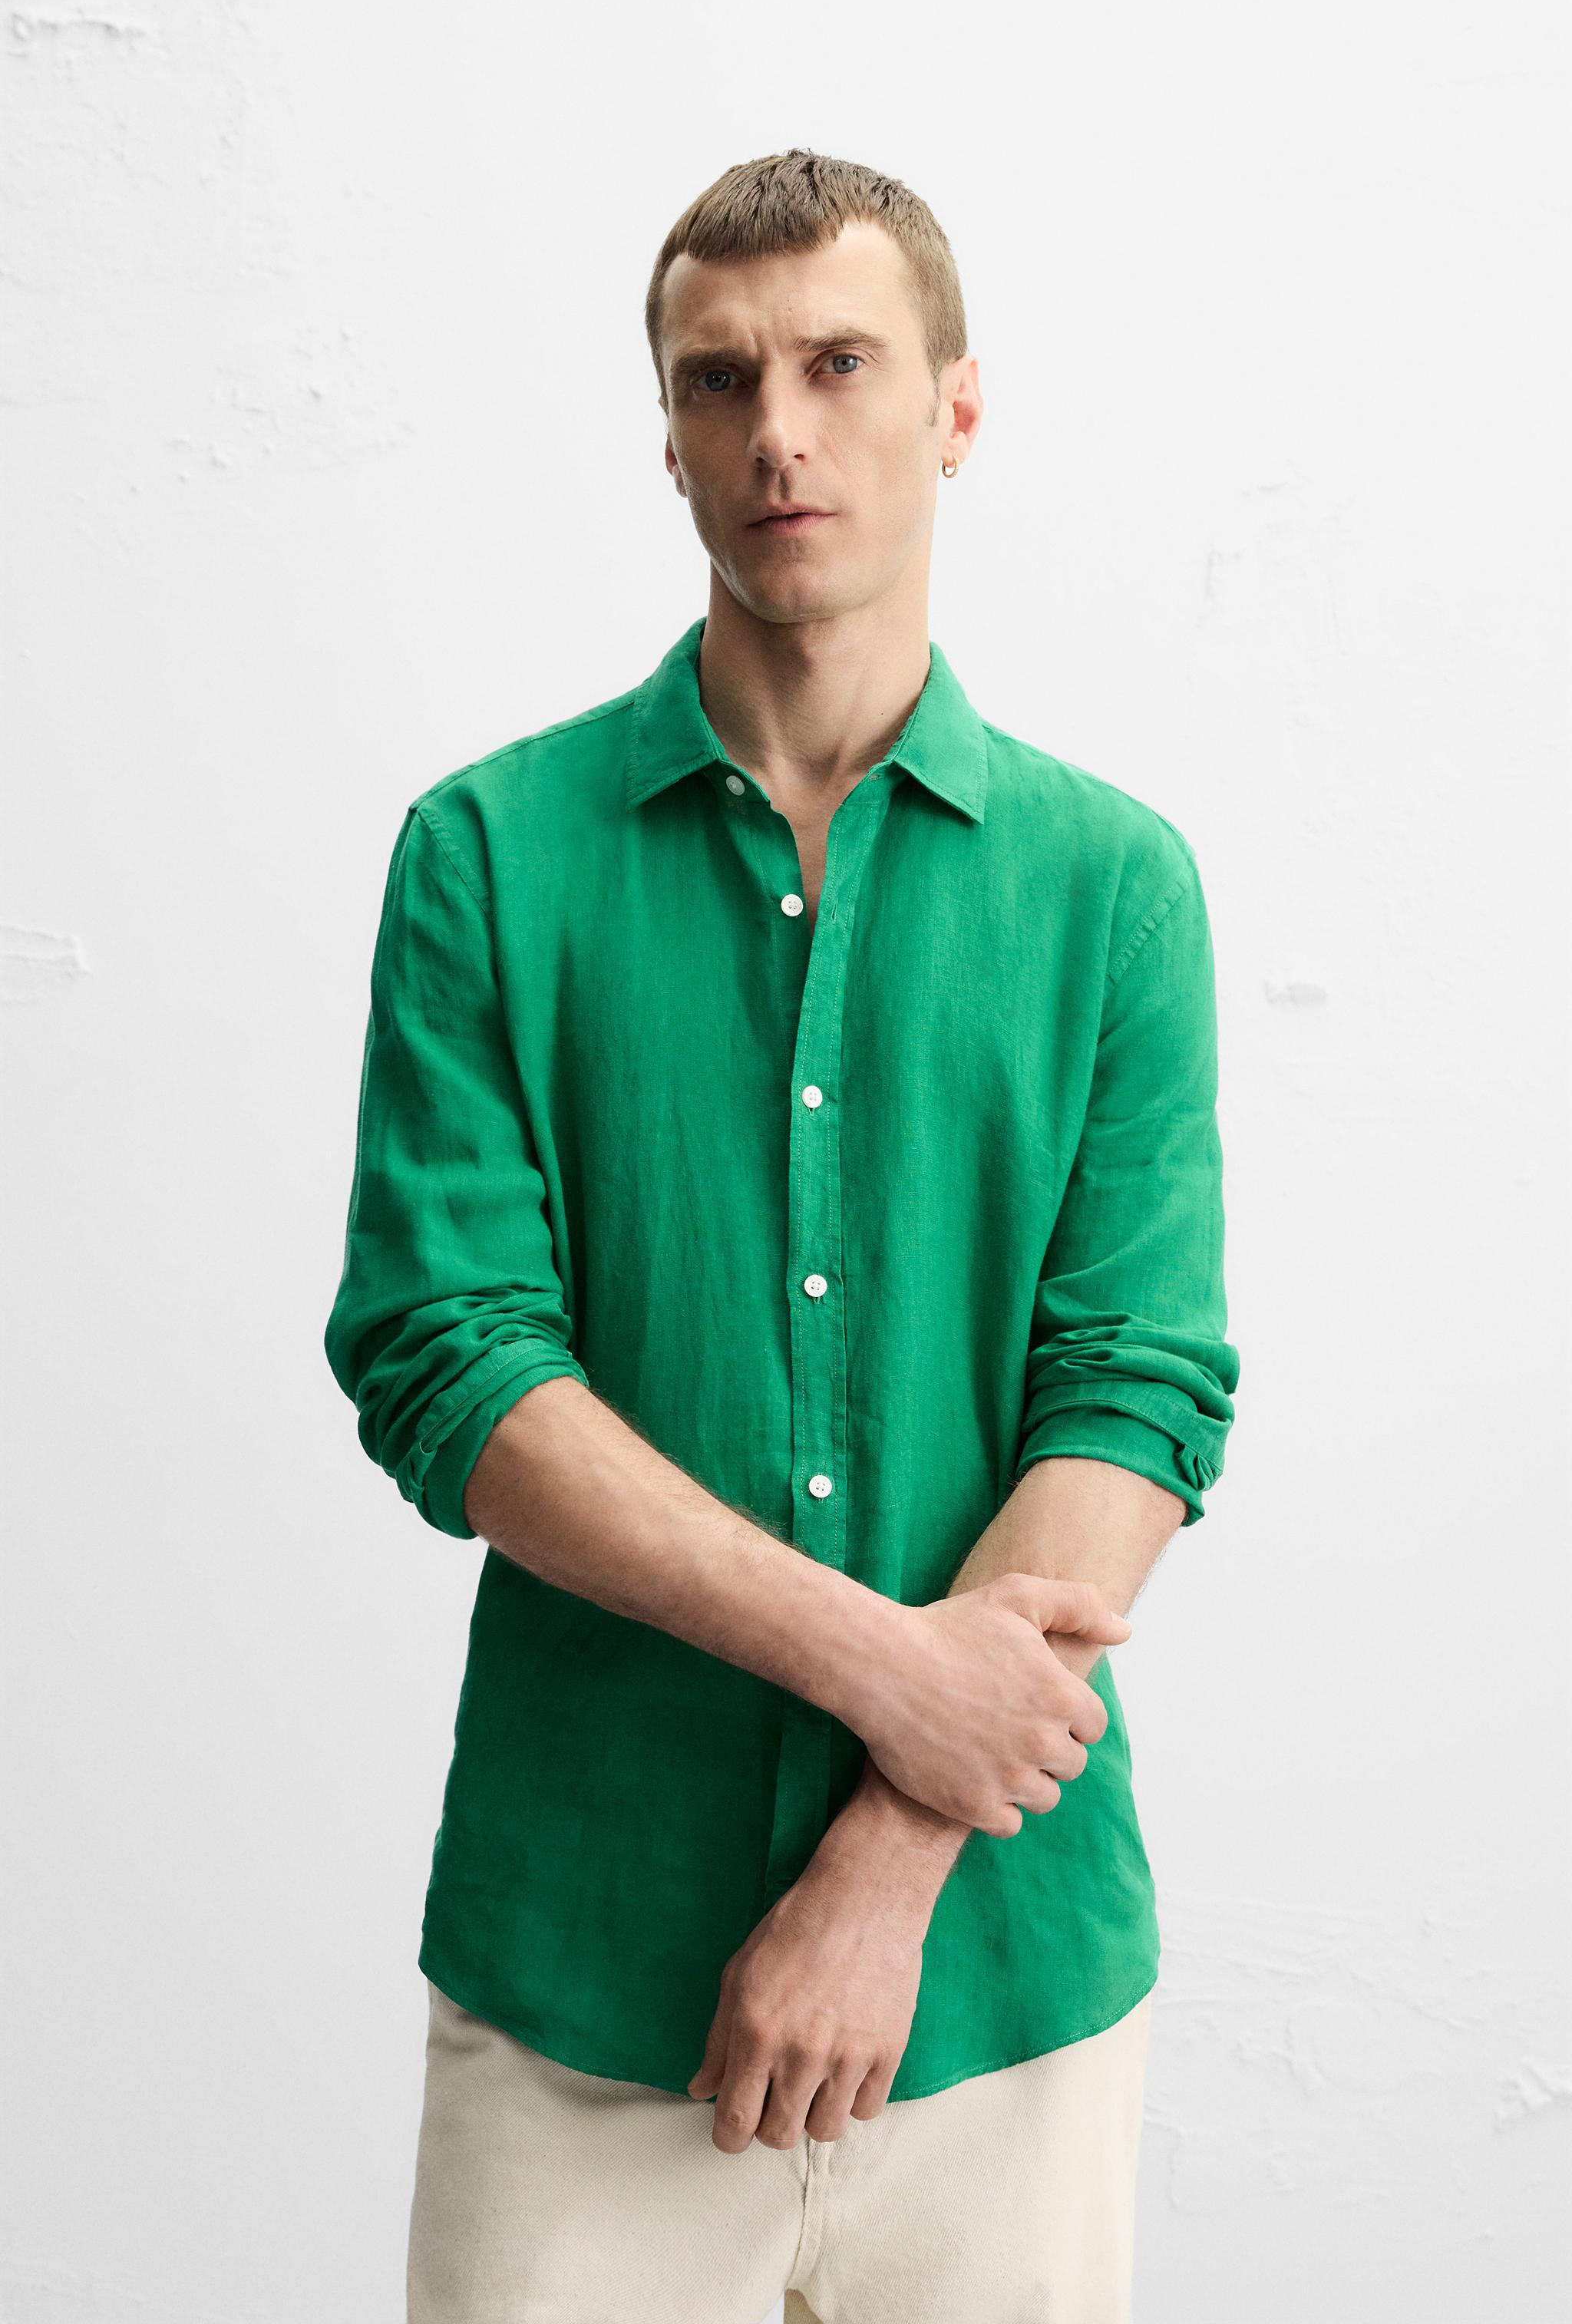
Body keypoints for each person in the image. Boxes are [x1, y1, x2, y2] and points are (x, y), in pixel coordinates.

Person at [324, 145, 1240, 2324]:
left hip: (1004, 1994)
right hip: (584, 1985)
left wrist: (888, 1856)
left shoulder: (1116, 889)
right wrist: (891, 1669)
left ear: (956, 406)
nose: (778, 432)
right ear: (666, 434)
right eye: (718, 378)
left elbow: (1134, 1396)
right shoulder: (487, 857)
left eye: (839, 363)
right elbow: (452, 1368)